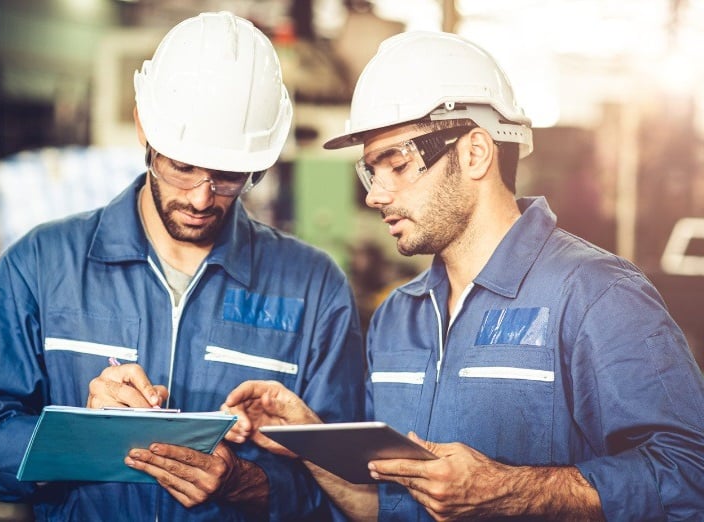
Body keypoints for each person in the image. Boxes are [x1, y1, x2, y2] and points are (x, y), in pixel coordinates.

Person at [222, 30, 704, 521]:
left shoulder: (597, 296)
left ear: (475, 152)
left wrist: (511, 489)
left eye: (397, 163)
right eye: (372, 171)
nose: (375, 195)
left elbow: (690, 475)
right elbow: (385, 507)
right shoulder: (396, 317)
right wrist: (310, 440)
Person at [0, 12, 366, 521]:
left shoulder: (313, 287)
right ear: (145, 127)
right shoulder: (42, 264)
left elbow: (350, 491)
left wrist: (249, 485)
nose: (202, 197)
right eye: (182, 166)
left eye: (229, 176)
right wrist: (77, 437)